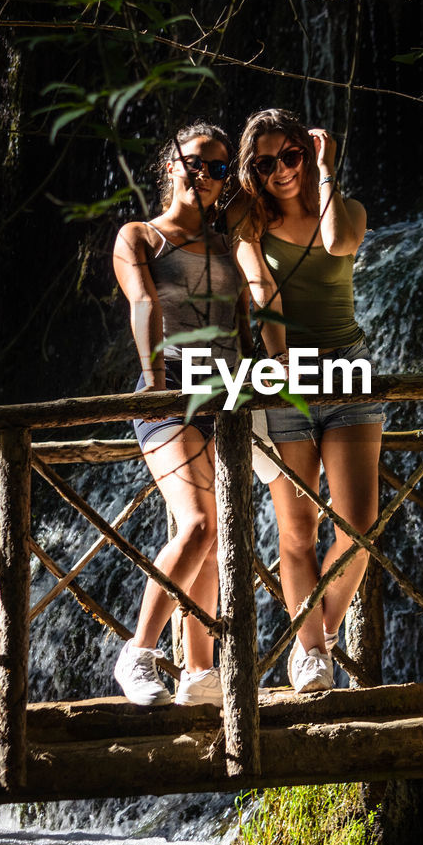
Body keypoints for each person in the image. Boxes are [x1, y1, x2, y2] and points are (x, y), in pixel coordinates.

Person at [236, 108, 383, 694]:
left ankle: (311, 632)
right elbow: (261, 292)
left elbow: (336, 241)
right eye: (265, 163)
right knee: (297, 532)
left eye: (290, 156)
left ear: (308, 152)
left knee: (360, 526)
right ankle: (313, 656)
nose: (279, 171)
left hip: (350, 372)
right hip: (287, 383)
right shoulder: (248, 219)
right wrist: (280, 372)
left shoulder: (348, 211)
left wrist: (325, 171)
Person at [112, 121, 248, 707]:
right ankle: (137, 653)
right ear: (171, 163)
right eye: (196, 161)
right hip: (166, 395)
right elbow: (144, 304)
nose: (206, 175)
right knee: (196, 523)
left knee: (215, 539)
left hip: (228, 400)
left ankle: (198, 670)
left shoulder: (231, 245)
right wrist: (154, 384)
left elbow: (247, 326)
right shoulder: (140, 236)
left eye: (219, 169)